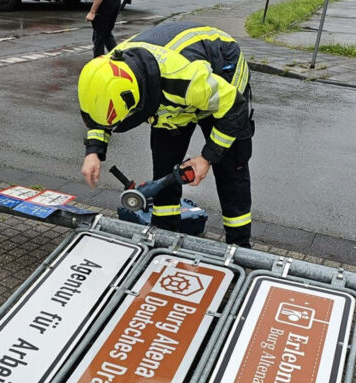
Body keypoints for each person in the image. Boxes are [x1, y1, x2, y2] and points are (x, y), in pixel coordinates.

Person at [77, 22, 255, 248]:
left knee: (231, 166)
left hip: (223, 74)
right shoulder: (107, 69)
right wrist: (93, 151)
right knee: (164, 166)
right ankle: (163, 236)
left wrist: (207, 157)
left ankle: (239, 248)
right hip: (175, 92)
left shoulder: (184, 79)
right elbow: (100, 115)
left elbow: (234, 108)